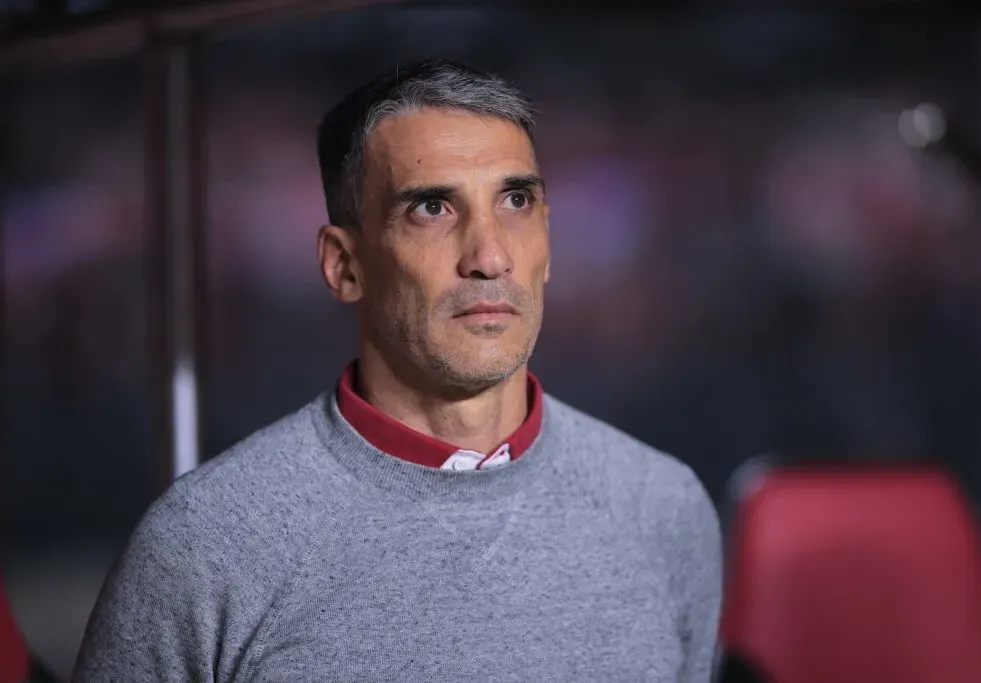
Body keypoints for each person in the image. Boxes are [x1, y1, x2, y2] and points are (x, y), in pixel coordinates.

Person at [73, 59, 721, 682]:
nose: (490, 255)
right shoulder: (204, 543)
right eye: (432, 208)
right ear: (343, 265)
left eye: (516, 200)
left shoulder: (663, 506)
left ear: (547, 241)